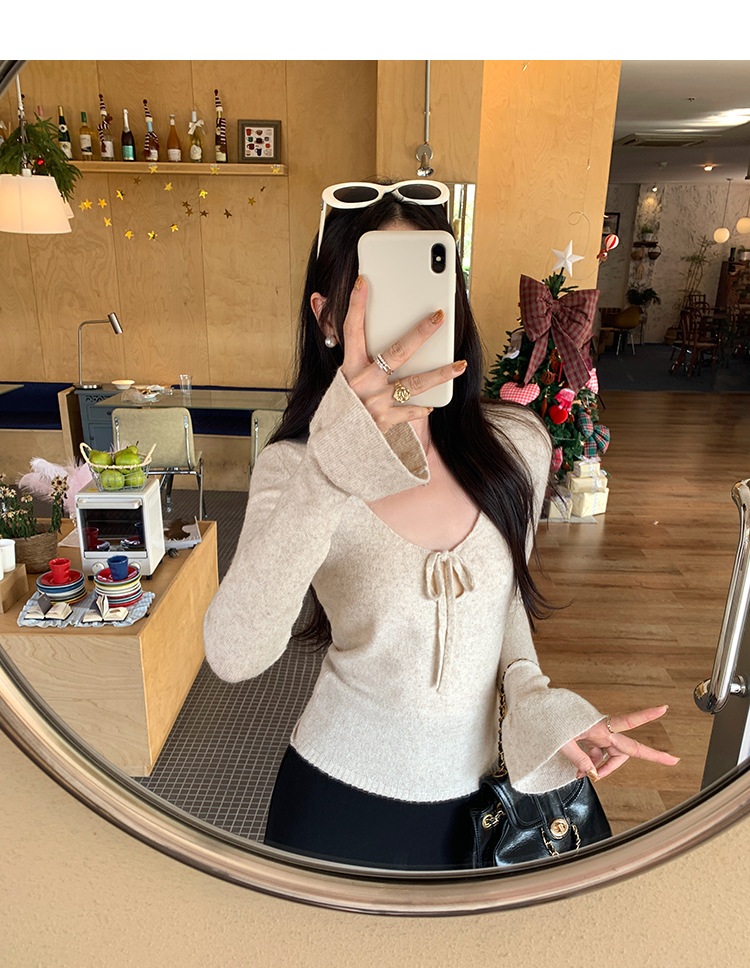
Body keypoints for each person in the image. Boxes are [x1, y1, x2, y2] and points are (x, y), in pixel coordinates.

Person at [203, 179, 679, 870]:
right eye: (375, 296)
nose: (409, 327)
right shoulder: (294, 469)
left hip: (481, 810)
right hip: (335, 802)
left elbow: (502, 603)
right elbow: (233, 655)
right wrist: (331, 468)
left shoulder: (518, 447)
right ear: (328, 317)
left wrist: (535, 700)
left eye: (428, 296)